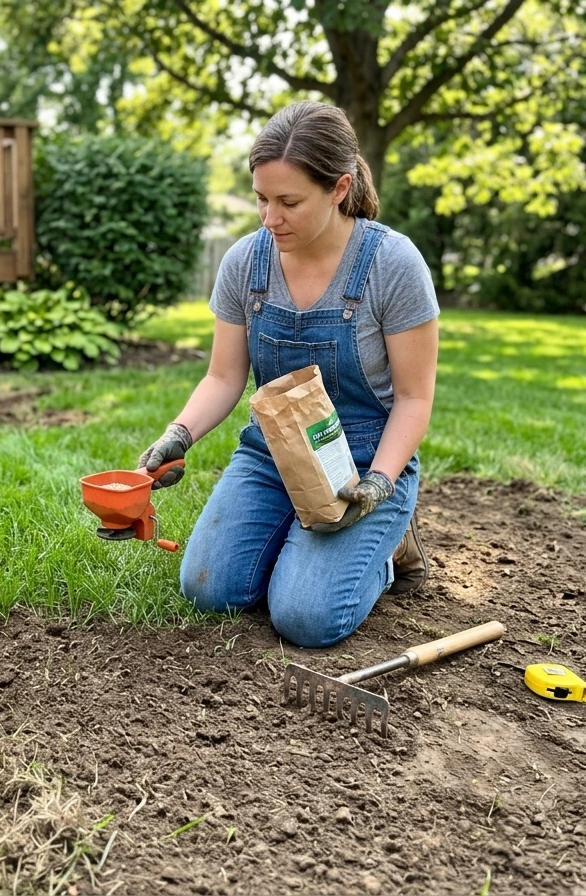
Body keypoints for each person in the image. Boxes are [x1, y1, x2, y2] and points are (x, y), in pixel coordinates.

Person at [138, 101, 439, 649]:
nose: (269, 217)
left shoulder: (392, 265)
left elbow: (415, 399)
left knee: (305, 618)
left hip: (363, 465)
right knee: (206, 588)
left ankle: (390, 546)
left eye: (289, 202)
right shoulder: (244, 264)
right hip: (274, 454)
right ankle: (300, 545)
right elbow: (224, 378)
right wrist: (177, 435)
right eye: (261, 198)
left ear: (340, 188)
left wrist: (379, 481)